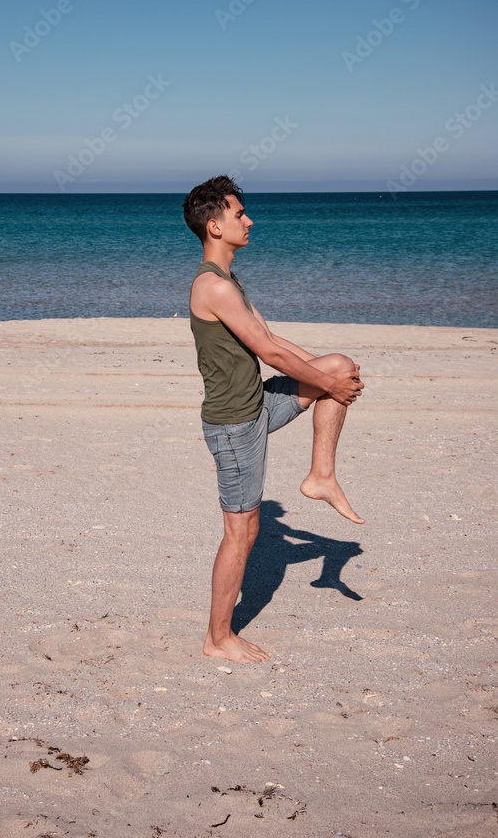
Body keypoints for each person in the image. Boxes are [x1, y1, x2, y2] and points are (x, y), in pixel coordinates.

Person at [183, 176, 365, 664]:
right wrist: (325, 387)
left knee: (341, 364)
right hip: (234, 426)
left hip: (258, 408)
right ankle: (218, 637)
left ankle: (321, 476)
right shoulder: (212, 287)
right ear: (215, 226)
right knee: (240, 533)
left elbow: (273, 340)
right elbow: (267, 352)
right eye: (240, 214)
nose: (249, 220)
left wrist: (329, 375)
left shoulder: (230, 282)